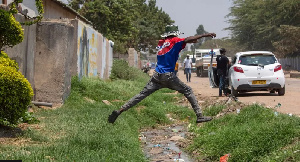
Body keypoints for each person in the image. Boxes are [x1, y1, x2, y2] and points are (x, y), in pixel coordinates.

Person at [108, 25, 216, 124]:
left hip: (156, 76)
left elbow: (186, 42)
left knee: (140, 95)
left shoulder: (161, 43)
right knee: (188, 90)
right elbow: (187, 39)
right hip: (168, 76)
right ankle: (199, 116)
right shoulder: (175, 40)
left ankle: (120, 110)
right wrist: (205, 35)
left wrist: (191, 41)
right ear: (175, 34)